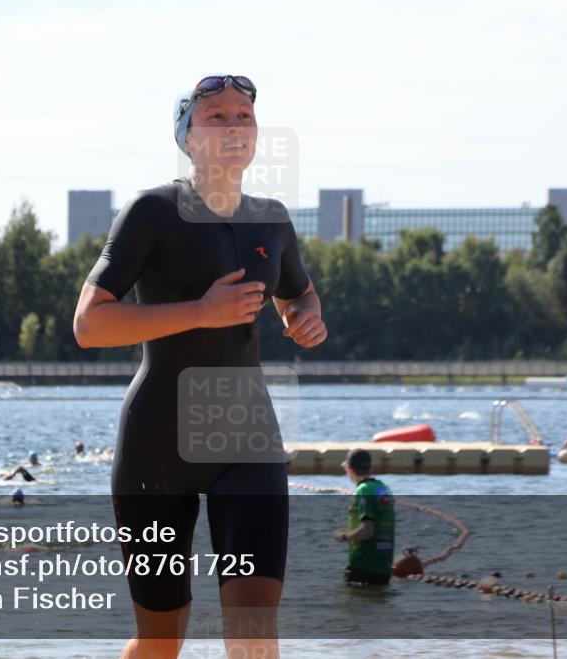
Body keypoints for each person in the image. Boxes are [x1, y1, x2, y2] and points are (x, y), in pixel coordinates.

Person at [73, 73, 327, 659]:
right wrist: (200, 313)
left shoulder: (272, 219)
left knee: (255, 640)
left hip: (247, 441)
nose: (234, 126)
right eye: (216, 116)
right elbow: (89, 324)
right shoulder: (152, 211)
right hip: (157, 448)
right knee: (160, 644)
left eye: (245, 116)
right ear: (187, 138)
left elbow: (298, 293)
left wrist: (306, 316)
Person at [334, 449, 396, 586]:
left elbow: (367, 531)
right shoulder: (383, 488)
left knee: (355, 598)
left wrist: (344, 536)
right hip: (384, 568)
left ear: (350, 470)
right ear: (370, 468)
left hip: (364, 567)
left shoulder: (363, 490)